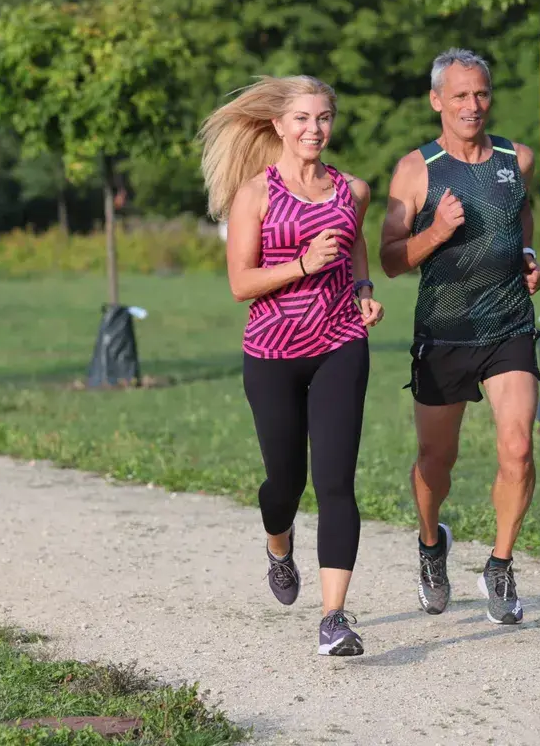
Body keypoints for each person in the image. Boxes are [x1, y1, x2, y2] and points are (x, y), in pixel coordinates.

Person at [198, 75, 384, 656]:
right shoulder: (254, 194)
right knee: (286, 483)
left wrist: (363, 289)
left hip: (339, 344)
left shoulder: (352, 190)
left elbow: (355, 248)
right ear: (278, 125)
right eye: (302, 119)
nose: (314, 130)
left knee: (335, 482)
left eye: (324, 118)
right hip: (272, 353)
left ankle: (334, 618)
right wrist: (302, 263)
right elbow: (239, 283)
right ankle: (279, 544)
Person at [379, 48, 540, 625]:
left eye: (481, 94)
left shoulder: (516, 158)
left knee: (518, 447)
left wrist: (526, 253)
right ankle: (431, 546)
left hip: (508, 324)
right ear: (436, 101)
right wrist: (438, 231)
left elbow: (521, 214)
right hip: (444, 331)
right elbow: (392, 259)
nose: (472, 106)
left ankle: (500, 565)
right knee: (435, 462)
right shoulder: (415, 170)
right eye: (459, 96)